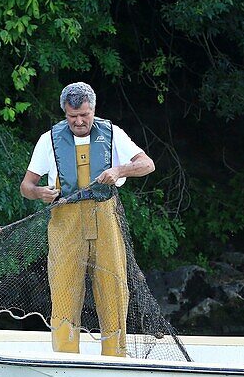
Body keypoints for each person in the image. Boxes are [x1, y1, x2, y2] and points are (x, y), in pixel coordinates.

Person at [19, 82, 155, 356]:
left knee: (113, 284)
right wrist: (40, 193)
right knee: (65, 285)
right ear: (65, 113)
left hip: (105, 213)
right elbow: (26, 186)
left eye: (84, 115)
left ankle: (115, 354)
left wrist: (118, 170)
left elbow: (148, 164)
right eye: (73, 117)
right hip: (64, 219)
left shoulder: (113, 133)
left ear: (93, 110)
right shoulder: (49, 139)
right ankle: (66, 355)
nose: (79, 121)